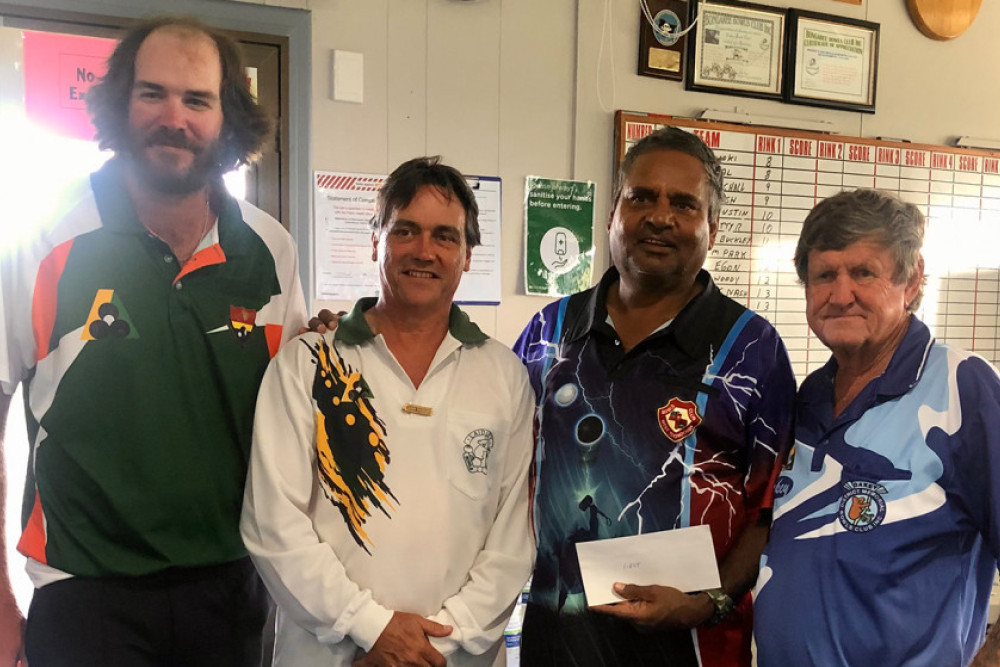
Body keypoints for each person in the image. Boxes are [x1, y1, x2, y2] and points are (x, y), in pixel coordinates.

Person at [0, 16, 306, 666]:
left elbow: (294, 418)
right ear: (120, 103)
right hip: (85, 593)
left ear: (229, 118)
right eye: (153, 94)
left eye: (198, 99)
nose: (176, 117)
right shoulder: (45, 239)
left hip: (230, 592)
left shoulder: (270, 251)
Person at [511, 126, 796, 666]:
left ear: (711, 226)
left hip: (690, 649)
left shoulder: (752, 350)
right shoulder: (549, 330)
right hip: (558, 641)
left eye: (683, 204)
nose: (660, 216)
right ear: (613, 213)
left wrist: (706, 604)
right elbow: (483, 433)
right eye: (641, 197)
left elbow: (768, 513)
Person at [241, 156, 535, 666]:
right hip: (332, 654)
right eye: (406, 230)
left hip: (455, 657)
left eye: (446, 236)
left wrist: (435, 644)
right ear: (376, 241)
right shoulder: (308, 363)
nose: (425, 251)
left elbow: (513, 541)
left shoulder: (504, 376)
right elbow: (273, 524)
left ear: (468, 256)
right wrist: (371, 628)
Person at [754, 188, 1000, 667]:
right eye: (824, 275)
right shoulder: (806, 399)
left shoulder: (963, 389)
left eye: (863, 273)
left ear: (912, 280)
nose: (840, 295)